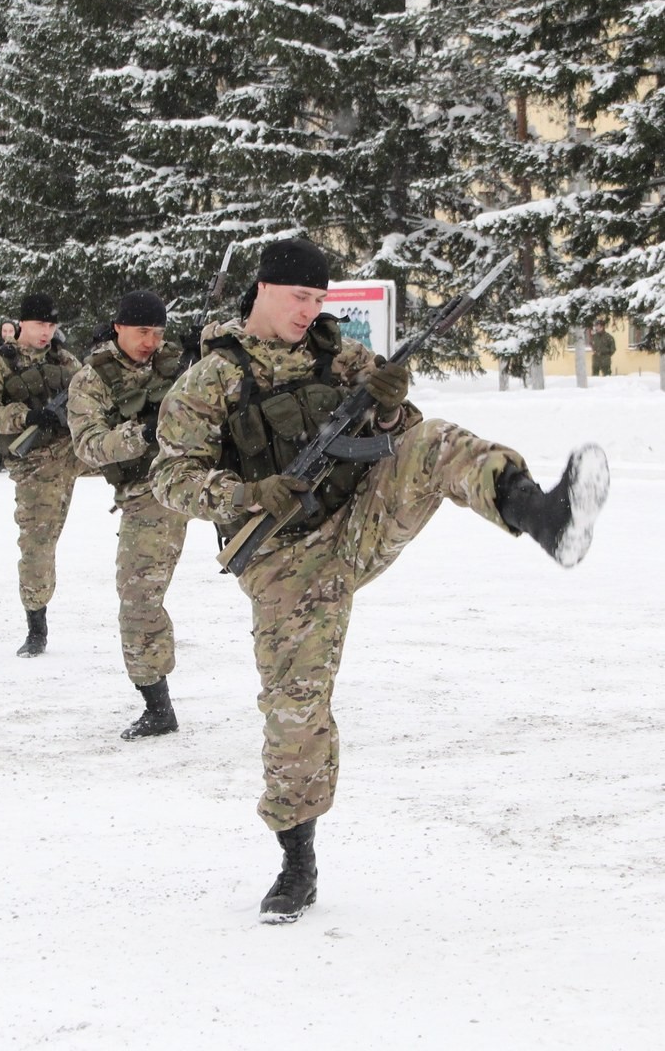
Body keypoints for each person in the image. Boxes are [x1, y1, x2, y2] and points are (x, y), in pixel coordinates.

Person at [149, 237, 610, 924]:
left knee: (434, 441)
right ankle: (296, 860)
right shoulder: (209, 379)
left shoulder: (341, 358)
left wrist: (390, 409)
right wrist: (247, 493)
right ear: (264, 289)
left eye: (319, 299)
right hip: (282, 557)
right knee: (295, 709)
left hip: (359, 520)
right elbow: (169, 479)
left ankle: (541, 515)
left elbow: (401, 433)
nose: (309, 310)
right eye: (299, 297)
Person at [67, 291, 189, 740]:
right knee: (139, 598)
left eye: (158, 332)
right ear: (118, 327)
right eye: (142, 331)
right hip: (149, 493)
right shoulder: (92, 380)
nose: (150, 342)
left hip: (205, 477)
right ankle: (157, 704)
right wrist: (143, 433)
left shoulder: (180, 363)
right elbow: (88, 445)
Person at [0, 292, 87, 656]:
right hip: (35, 464)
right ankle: (36, 623)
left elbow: (93, 391)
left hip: (74, 451)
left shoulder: (63, 358)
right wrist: (27, 416)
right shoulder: (0, 362)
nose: (46, 332)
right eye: (39, 325)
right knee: (37, 544)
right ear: (22, 324)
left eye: (51, 325)